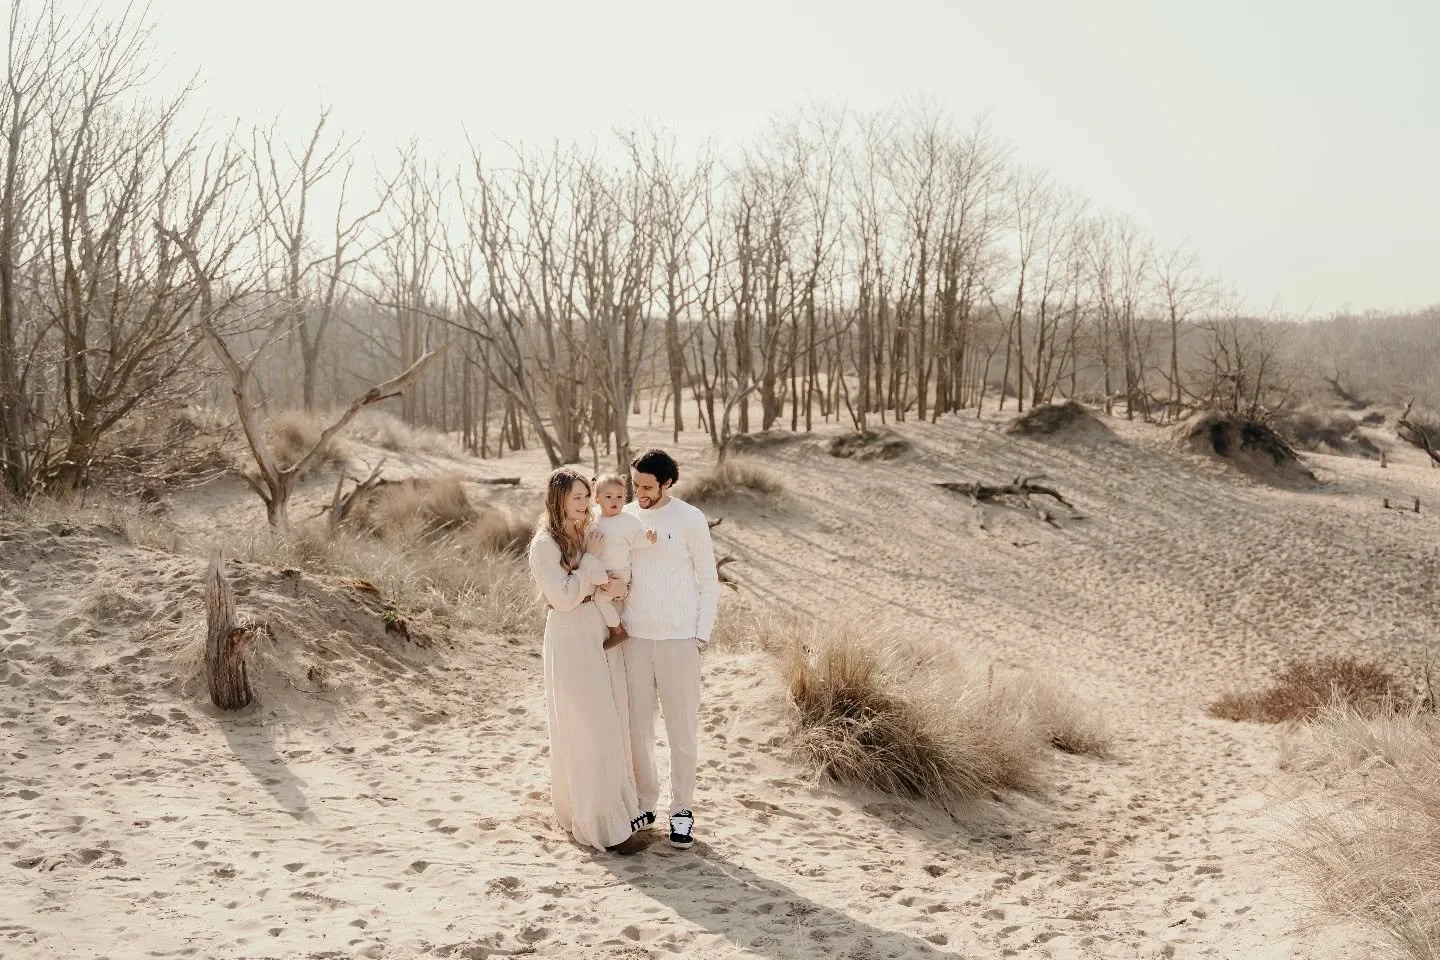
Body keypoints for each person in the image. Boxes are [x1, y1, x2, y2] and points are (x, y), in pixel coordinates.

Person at [527, 467, 649, 855]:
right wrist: (591, 566)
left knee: (611, 723)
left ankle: (618, 816)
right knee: (589, 726)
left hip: (598, 633)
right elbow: (562, 598)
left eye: (586, 496)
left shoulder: (589, 532)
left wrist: (614, 584)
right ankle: (600, 826)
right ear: (559, 499)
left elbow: (610, 577)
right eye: (577, 498)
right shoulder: (544, 544)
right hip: (570, 636)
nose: (585, 504)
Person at [621, 449, 720, 850]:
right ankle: (645, 804)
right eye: (635, 484)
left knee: (682, 731)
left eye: (647, 486)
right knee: (638, 730)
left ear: (667, 484)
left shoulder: (690, 519)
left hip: (680, 640)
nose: (640, 492)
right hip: (636, 639)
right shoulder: (625, 517)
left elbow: (708, 580)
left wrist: (700, 634)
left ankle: (682, 811)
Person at [590, 473, 657, 651]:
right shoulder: (594, 518)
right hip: (600, 570)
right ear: (597, 498)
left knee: (601, 600)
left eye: (620, 497)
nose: (615, 501)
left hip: (619, 572)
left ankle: (617, 631)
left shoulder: (628, 521)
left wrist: (648, 538)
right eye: (608, 497)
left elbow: (637, 539)